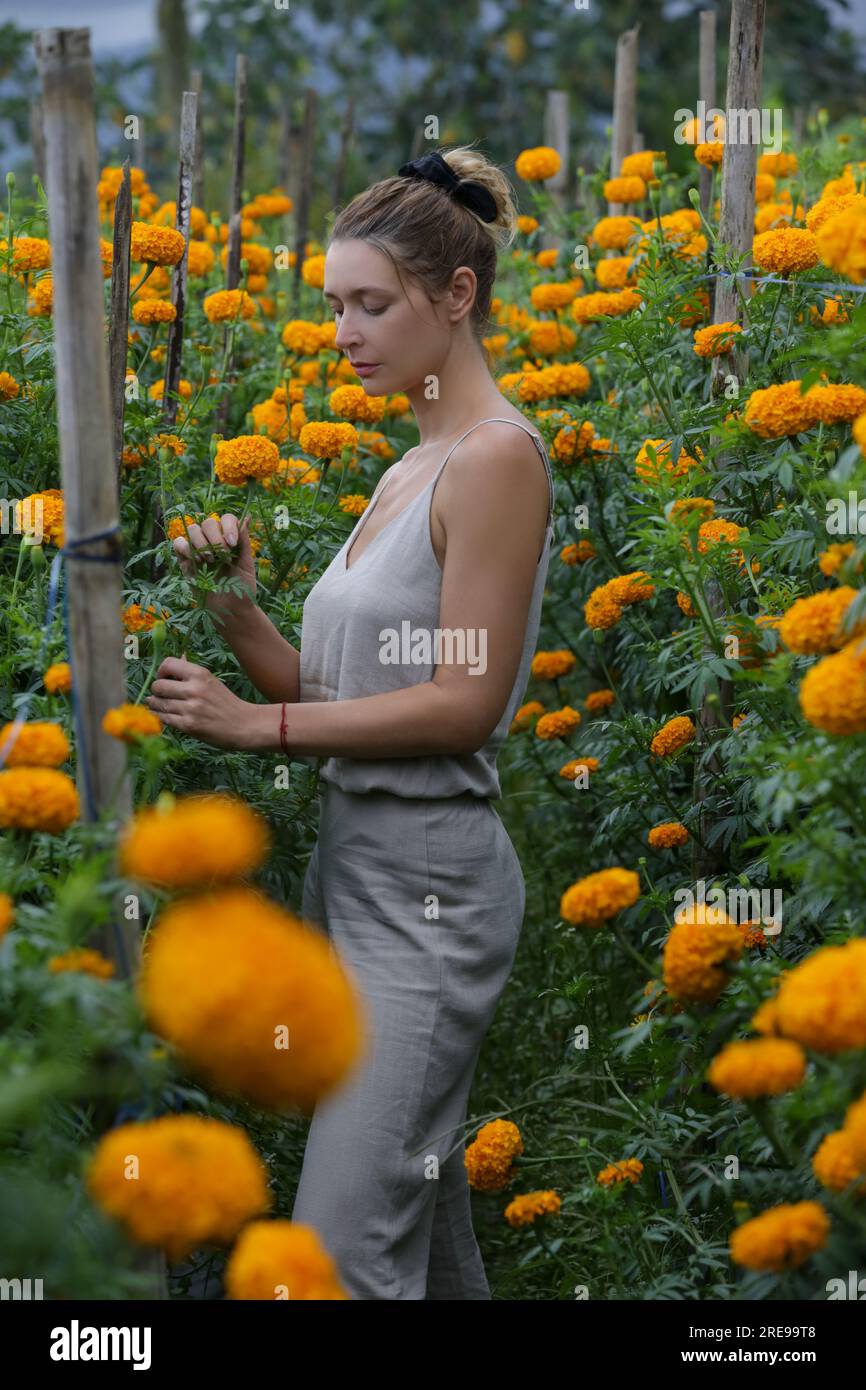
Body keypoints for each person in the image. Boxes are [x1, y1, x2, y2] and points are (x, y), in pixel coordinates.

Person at [148, 144, 556, 1300]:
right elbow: (332, 696)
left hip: (427, 899)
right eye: (333, 306)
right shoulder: (406, 468)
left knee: (333, 1255)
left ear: (456, 297)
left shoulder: (495, 461)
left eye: (370, 304)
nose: (343, 332)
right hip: (354, 872)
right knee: (419, 1241)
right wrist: (235, 608)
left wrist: (249, 732)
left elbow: (462, 704)